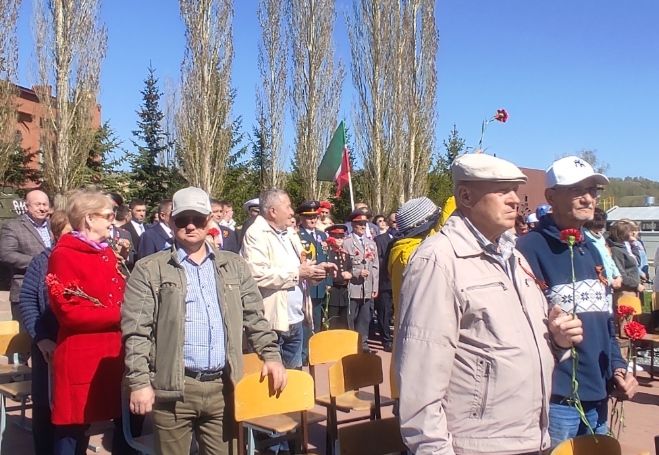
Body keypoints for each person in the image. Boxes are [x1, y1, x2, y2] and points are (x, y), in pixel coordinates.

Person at [396, 153, 584, 455]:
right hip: (476, 445)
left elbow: (511, 347)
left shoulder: (514, 257)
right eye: (501, 190)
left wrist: (559, 342)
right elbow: (420, 375)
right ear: (466, 196)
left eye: (515, 190)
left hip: (531, 438)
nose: (514, 200)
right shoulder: (440, 260)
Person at [122, 186, 286, 455]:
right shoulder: (149, 269)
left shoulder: (233, 265)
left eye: (197, 219)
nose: (190, 226)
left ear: (209, 220)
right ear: (171, 221)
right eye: (182, 219)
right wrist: (139, 383)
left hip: (223, 387)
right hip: (173, 390)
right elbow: (137, 332)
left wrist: (271, 355)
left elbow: (255, 317)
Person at [516, 156, 637, 446]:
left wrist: (618, 369)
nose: (588, 198)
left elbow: (606, 324)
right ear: (550, 196)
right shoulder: (528, 250)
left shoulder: (591, 249)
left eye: (593, 190)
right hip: (558, 401)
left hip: (599, 395)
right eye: (576, 190)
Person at [46, 189, 130, 454]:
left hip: (113, 353)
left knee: (125, 420)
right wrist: (122, 314)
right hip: (82, 357)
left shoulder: (105, 253)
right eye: (107, 215)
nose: (112, 221)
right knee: (73, 430)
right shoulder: (64, 255)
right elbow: (70, 313)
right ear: (89, 219)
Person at [241, 189, 333, 369]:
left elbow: (302, 268)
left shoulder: (290, 233)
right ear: (273, 211)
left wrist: (316, 271)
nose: (292, 212)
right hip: (271, 323)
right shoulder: (256, 234)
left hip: (296, 319)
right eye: (288, 206)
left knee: (295, 379)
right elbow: (257, 274)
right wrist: (298, 273)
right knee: (269, 383)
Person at [18, 210, 71, 455]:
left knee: (72, 413)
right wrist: (41, 338)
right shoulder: (42, 261)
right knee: (44, 408)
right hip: (47, 348)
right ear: (56, 234)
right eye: (70, 233)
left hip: (75, 349)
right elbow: (28, 300)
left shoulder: (87, 259)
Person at [0, 189, 53, 333]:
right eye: (38, 204)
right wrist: (39, 263)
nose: (42, 208)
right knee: (26, 340)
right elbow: (6, 254)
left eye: (45, 204)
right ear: (26, 206)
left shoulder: (53, 226)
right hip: (24, 290)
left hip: (50, 292)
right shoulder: (13, 226)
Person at [296, 200, 331, 364]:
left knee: (317, 320)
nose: (313, 220)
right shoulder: (297, 235)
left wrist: (328, 281)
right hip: (304, 285)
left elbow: (327, 258)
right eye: (309, 217)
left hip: (320, 286)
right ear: (301, 218)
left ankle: (313, 352)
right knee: (305, 321)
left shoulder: (322, 235)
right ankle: (303, 354)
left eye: (315, 216)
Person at [344, 209, 379, 352]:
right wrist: (357, 272)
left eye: (365, 223)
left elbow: (375, 266)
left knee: (365, 318)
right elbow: (343, 267)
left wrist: (375, 286)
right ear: (353, 224)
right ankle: (350, 344)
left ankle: (363, 343)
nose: (363, 226)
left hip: (367, 287)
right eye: (360, 223)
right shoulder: (347, 243)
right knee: (351, 317)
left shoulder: (371, 243)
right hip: (353, 287)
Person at [584, 208, 622, 300]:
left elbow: (608, 258)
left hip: (609, 283)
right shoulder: (585, 239)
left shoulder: (601, 238)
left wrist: (617, 275)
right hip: (597, 284)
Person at [374, 212, 397, 352]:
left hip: (401, 282)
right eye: (394, 222)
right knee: (385, 311)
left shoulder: (405, 238)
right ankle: (386, 340)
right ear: (388, 223)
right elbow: (380, 261)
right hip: (385, 282)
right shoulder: (380, 240)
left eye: (398, 221)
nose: (396, 224)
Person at [607, 220, 644, 305]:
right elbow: (620, 274)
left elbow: (636, 261)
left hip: (631, 290)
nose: (633, 234)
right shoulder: (616, 250)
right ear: (623, 233)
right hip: (624, 291)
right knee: (625, 317)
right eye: (630, 231)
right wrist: (636, 285)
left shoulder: (623, 247)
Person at [325, 224, 353, 329]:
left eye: (342, 237)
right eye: (337, 237)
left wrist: (350, 274)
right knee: (332, 320)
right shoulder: (328, 253)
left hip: (344, 291)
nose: (340, 239)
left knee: (343, 321)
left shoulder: (345, 253)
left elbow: (350, 267)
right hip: (333, 290)